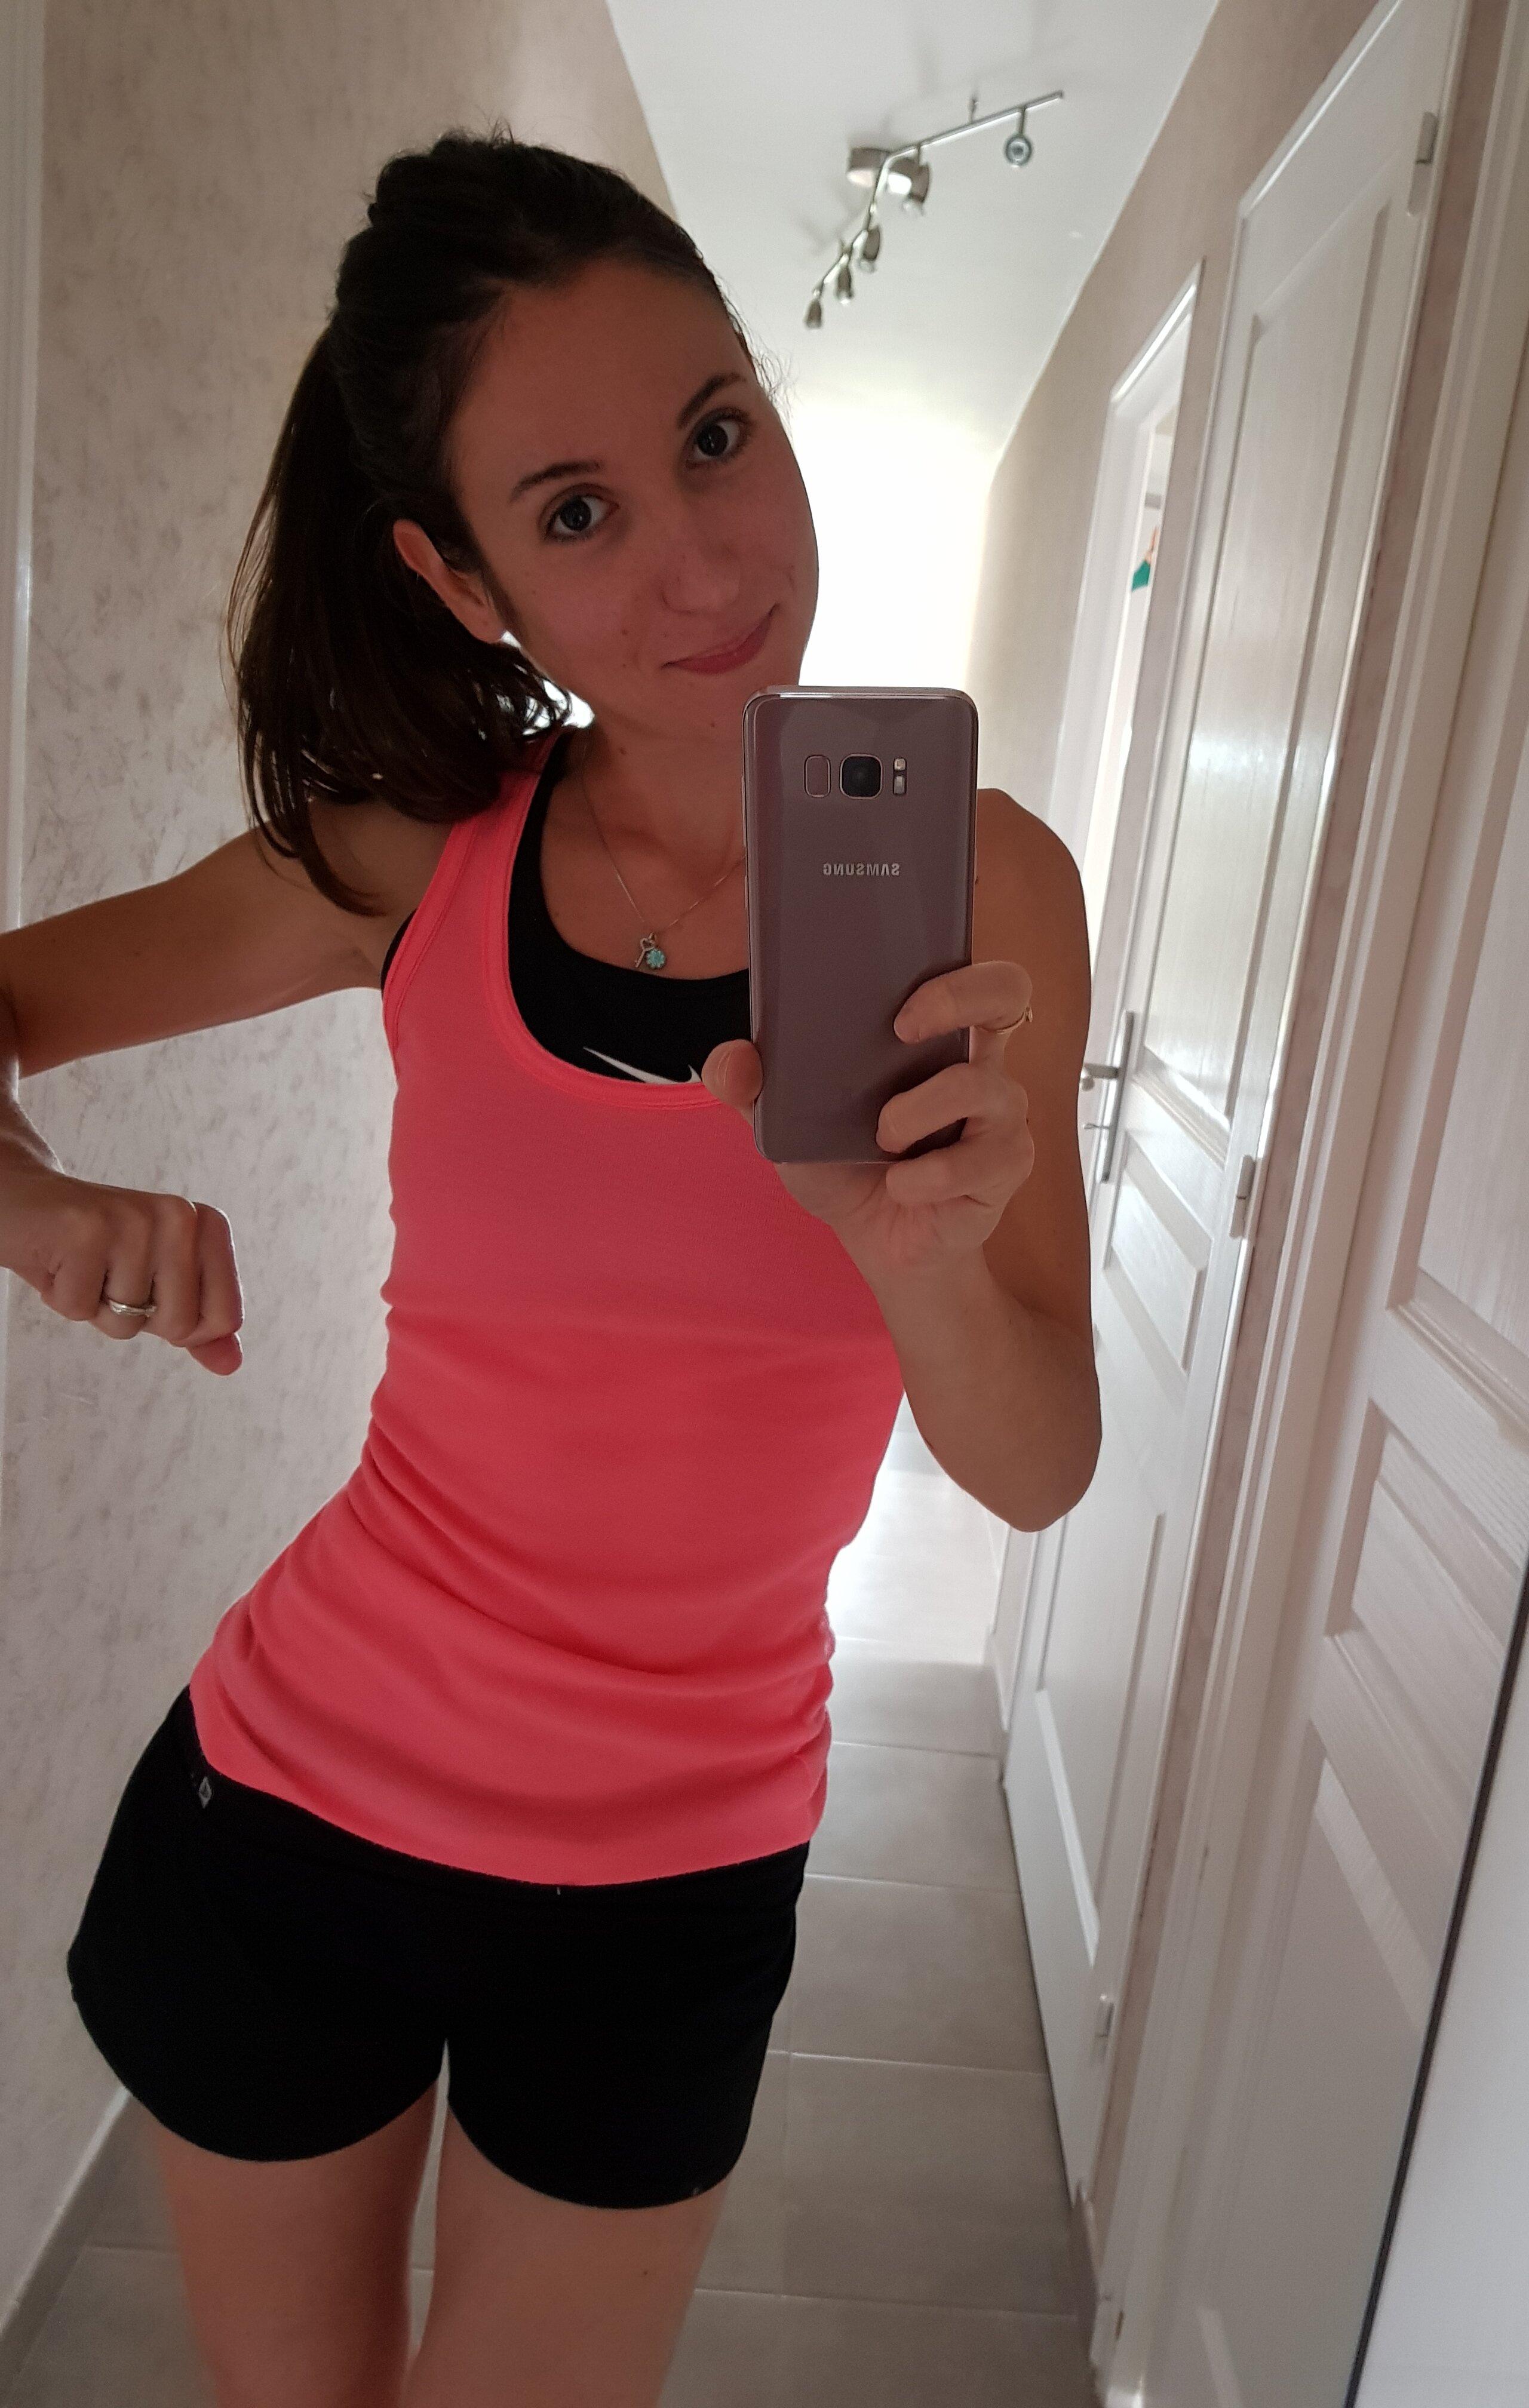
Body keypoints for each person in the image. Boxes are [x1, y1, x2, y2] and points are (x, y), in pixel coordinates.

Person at [0, 133, 1098, 2408]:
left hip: (681, 1877)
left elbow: (1038, 1464)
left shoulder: (987, 885)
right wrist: (35, 1207)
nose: (705, 555)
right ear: (461, 576)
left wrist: (909, 1246)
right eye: (576, 511)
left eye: (716, 432)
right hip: (294, 1803)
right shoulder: (423, 855)